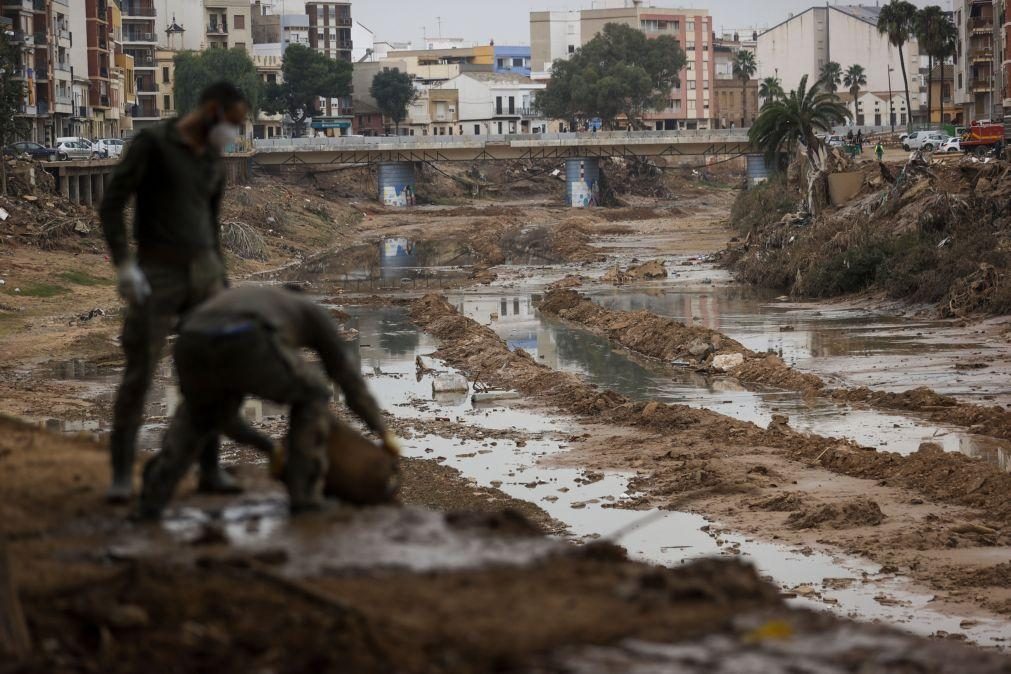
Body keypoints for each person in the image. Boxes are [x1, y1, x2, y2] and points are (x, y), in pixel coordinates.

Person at [99, 81, 249, 502]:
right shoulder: (153, 143)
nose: (234, 133)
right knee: (140, 373)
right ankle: (121, 475)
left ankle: (209, 470)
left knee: (210, 374)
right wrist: (124, 265)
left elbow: (212, 224)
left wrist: (221, 279)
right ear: (213, 111)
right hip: (157, 272)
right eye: (234, 123)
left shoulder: (213, 160)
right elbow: (112, 203)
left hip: (205, 273)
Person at [137, 286, 400, 520]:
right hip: (248, 336)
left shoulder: (260, 297)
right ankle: (304, 497)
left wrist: (268, 447)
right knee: (314, 393)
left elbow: (225, 419)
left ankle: (153, 499)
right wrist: (382, 430)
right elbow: (346, 377)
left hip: (190, 339)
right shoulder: (312, 312)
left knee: (199, 414)